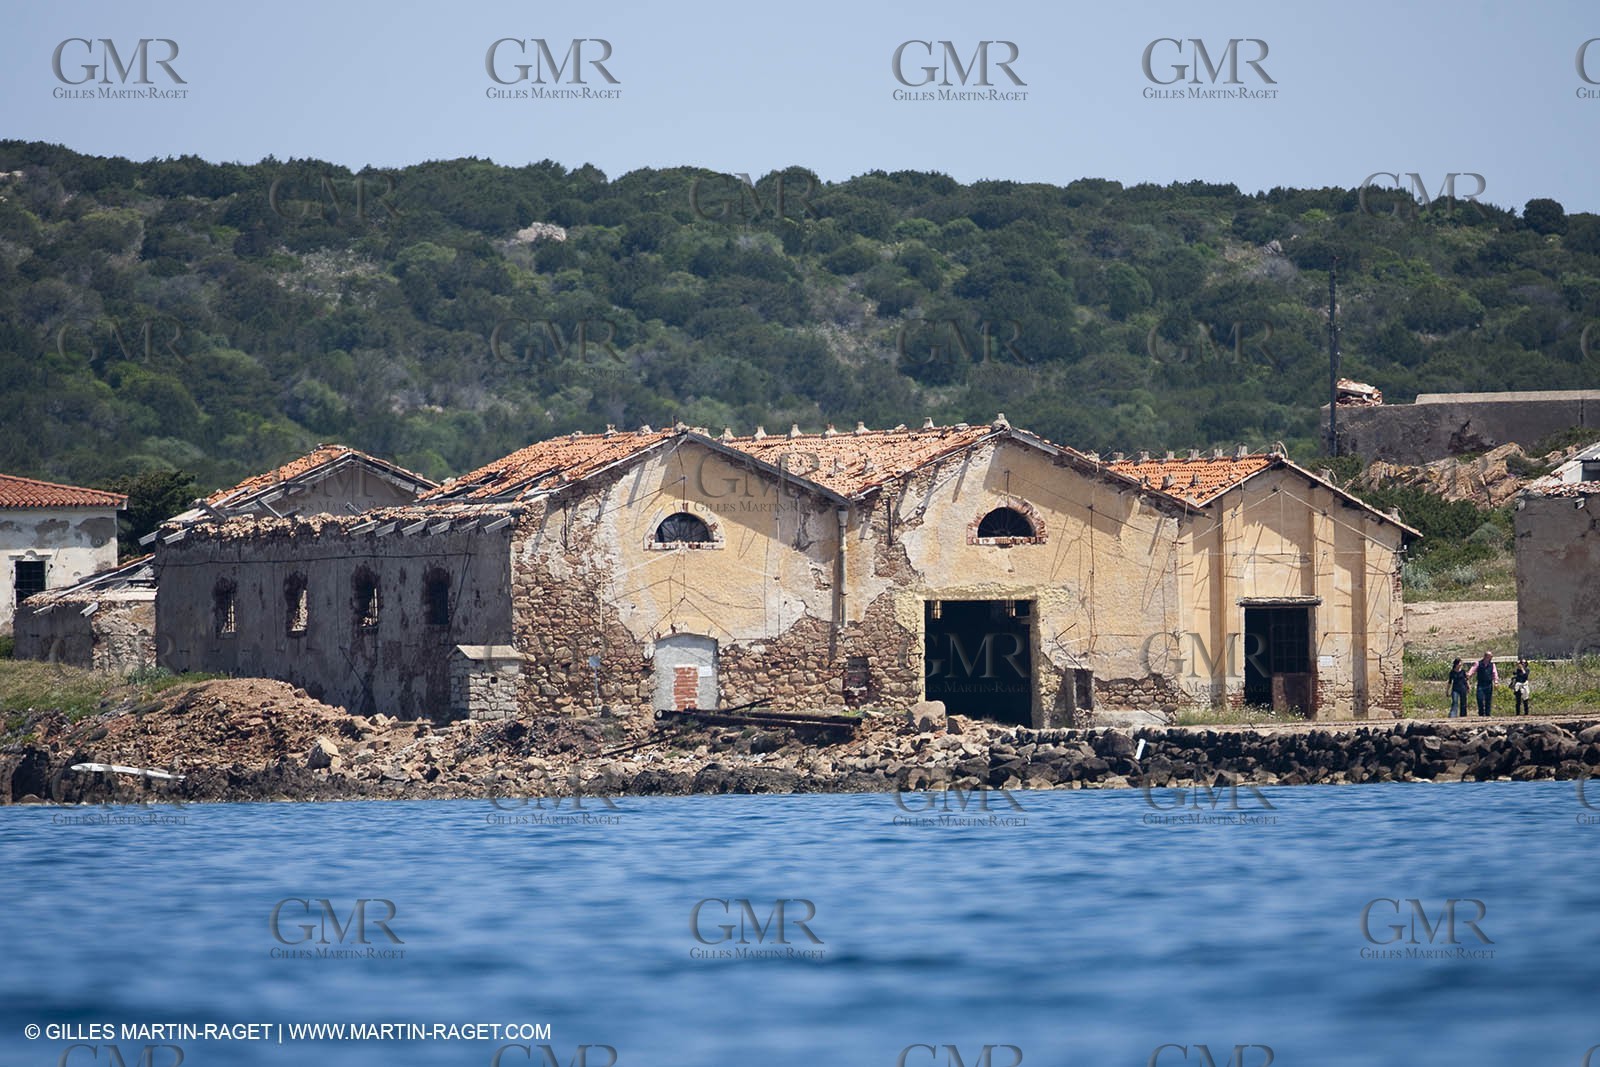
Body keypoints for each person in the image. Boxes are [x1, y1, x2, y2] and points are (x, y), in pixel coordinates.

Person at [1466, 652, 1497, 717]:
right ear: (1486, 656)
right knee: (1479, 699)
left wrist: (1496, 681)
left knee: (1488, 700)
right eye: (1490, 656)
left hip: (1489, 684)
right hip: (1481, 684)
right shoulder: (1478, 663)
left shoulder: (1492, 665)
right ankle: (1481, 714)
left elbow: (1494, 673)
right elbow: (1473, 669)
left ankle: (1488, 715)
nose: (1491, 658)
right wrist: (1469, 674)